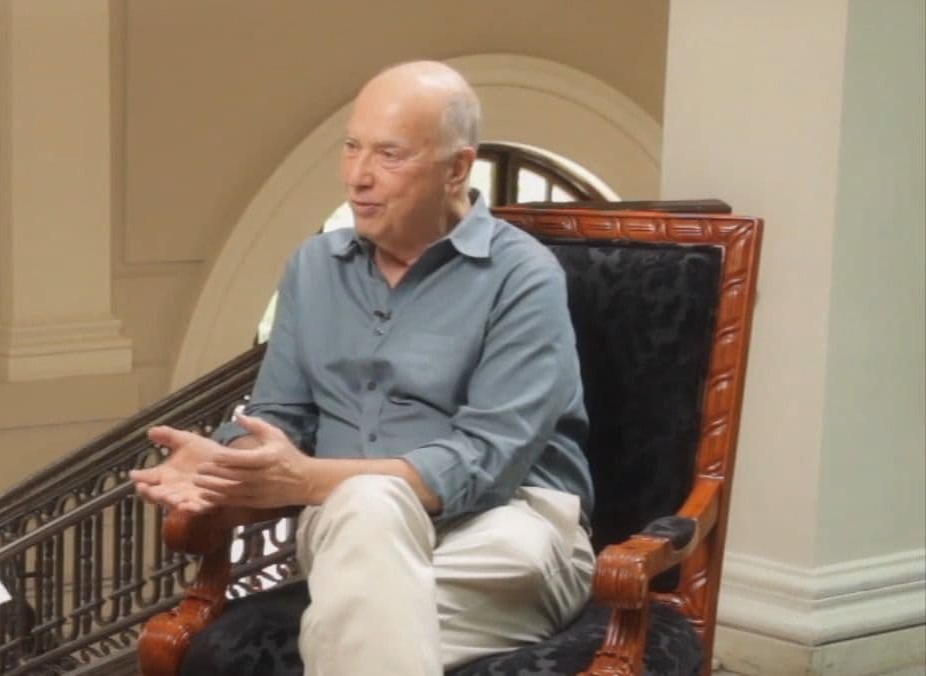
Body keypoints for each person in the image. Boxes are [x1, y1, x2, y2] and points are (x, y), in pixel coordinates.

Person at [130, 61, 596, 674]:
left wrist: (306, 481)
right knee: (365, 522)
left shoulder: (523, 276)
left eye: (389, 155)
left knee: (354, 596)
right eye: (351, 147)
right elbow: (280, 416)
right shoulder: (312, 268)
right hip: (350, 530)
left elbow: (485, 461)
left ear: (457, 168)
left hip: (505, 533)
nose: (358, 176)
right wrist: (229, 464)